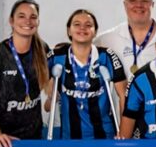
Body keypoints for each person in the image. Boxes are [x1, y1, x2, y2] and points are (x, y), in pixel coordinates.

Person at [0, 0, 52, 147]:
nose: (28, 21)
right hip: (1, 139)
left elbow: (50, 87)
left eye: (33, 17)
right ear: (11, 21)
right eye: (21, 16)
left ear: (38, 21)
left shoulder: (43, 49)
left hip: (32, 138)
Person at [47, 9, 126, 139]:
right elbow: (35, 80)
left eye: (88, 25)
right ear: (69, 30)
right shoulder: (57, 56)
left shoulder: (107, 56)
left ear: (95, 31)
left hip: (104, 136)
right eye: (77, 24)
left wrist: (123, 132)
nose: (82, 28)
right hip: (70, 137)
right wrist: (50, 93)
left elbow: (123, 95)